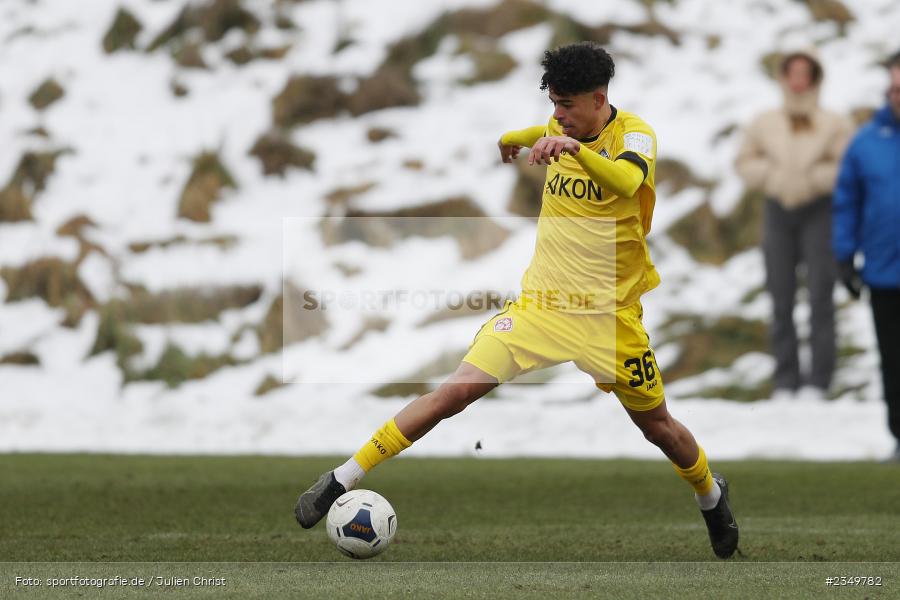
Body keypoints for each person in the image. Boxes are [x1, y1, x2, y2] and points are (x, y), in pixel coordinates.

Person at [295, 42, 739, 558]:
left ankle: (711, 494)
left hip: (608, 320)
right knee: (453, 394)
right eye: (553, 103)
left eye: (566, 104)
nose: (556, 115)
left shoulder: (634, 135)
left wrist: (575, 151)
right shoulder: (559, 128)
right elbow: (528, 135)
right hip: (540, 309)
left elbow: (626, 179)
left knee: (659, 429)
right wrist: (511, 142)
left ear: (599, 99)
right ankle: (340, 479)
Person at [734, 49, 853, 399]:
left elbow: (846, 167)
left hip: (820, 210)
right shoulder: (763, 121)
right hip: (777, 211)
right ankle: (785, 380)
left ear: (815, 79)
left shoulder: (836, 122)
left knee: (821, 294)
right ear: (783, 78)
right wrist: (773, 178)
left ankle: (819, 381)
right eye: (792, 73)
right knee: (780, 295)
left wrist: (814, 179)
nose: (798, 80)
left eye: (806, 73)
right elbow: (744, 161)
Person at [832, 50, 900, 462]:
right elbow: (846, 202)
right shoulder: (866, 142)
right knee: (894, 363)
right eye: (894, 89)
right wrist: (844, 257)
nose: (898, 96)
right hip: (885, 273)